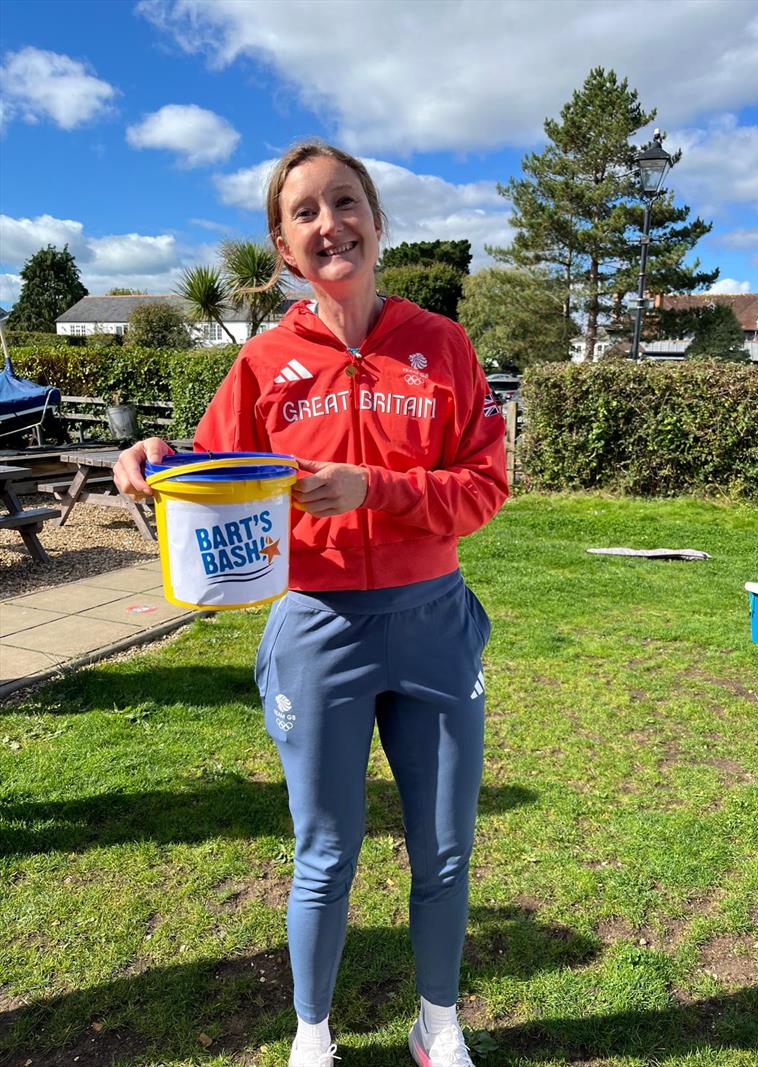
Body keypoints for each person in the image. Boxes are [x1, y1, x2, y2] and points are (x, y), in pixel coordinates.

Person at [113, 140, 508, 1067]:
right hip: (319, 631)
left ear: (375, 220)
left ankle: (437, 1023)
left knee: (445, 848)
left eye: (345, 201)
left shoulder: (440, 344)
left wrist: (375, 489)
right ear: (285, 249)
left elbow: (484, 487)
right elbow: (206, 479)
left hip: (433, 623)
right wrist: (152, 460)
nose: (329, 221)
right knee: (326, 852)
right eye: (305, 212)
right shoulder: (263, 363)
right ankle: (311, 1033)